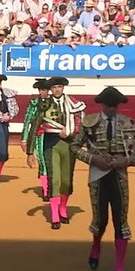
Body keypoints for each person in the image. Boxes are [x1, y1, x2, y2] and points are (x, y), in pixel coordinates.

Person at [72, 86, 135, 271]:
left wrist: (126, 161)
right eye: (109, 106)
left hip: (119, 175)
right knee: (100, 219)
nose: (112, 109)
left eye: (115, 106)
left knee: (120, 220)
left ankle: (119, 266)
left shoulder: (128, 123)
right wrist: (92, 159)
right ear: (102, 105)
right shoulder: (90, 123)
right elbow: (74, 146)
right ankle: (96, 247)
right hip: (97, 175)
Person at [46, 76, 86, 230]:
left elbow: (80, 123)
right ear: (51, 89)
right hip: (50, 144)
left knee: (66, 180)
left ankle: (63, 208)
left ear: (63, 88)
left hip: (69, 144)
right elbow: (37, 121)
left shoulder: (74, 103)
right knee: (54, 179)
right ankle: (55, 214)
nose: (57, 89)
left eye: (60, 87)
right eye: (54, 87)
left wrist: (70, 131)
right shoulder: (45, 104)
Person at [20, 78, 53, 200]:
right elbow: (27, 121)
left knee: (52, 162)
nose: (42, 92)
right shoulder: (34, 103)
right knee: (43, 162)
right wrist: (24, 139)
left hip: (53, 136)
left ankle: (51, 188)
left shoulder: (54, 102)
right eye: (40, 89)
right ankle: (46, 191)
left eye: (44, 89)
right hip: (39, 136)